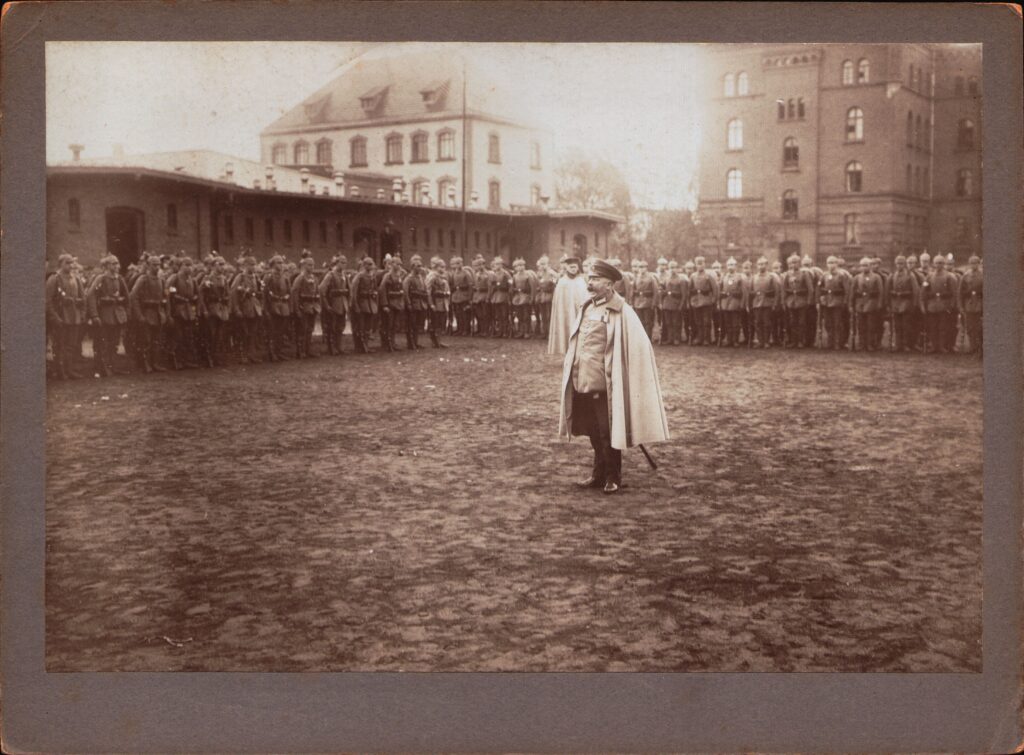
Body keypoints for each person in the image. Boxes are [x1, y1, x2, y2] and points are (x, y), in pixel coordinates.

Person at [558, 258, 669, 495]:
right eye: (590, 278)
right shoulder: (587, 307)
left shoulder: (622, 311)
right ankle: (598, 474)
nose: (590, 283)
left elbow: (638, 346)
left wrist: (620, 373)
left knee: (607, 430)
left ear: (609, 284)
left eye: (596, 279)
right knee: (592, 429)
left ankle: (613, 476)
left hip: (605, 382)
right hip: (582, 379)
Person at [85, 254, 130, 376]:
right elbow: (90, 295)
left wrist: (126, 310)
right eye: (113, 263)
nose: (117, 266)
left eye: (117, 263)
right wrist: (94, 315)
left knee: (114, 343)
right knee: (103, 343)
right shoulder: (101, 278)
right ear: (107, 265)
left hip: (117, 317)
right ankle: (103, 367)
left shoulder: (119, 279)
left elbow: (127, 296)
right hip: (104, 316)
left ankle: (112, 366)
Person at [128, 255, 169, 373]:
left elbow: (166, 296)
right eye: (154, 265)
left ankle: (155, 363)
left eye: (158, 265)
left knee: (156, 340)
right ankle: (144, 364)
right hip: (147, 312)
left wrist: (166, 313)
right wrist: (139, 315)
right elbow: (133, 296)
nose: (157, 267)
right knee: (145, 340)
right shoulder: (143, 279)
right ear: (148, 265)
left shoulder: (162, 280)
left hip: (158, 313)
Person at [547, 255, 588, 355]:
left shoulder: (581, 281)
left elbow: (585, 297)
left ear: (578, 267)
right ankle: (567, 351)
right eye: (571, 267)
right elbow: (559, 302)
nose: (573, 269)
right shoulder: (562, 282)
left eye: (575, 267)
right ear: (567, 268)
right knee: (566, 328)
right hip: (565, 314)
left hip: (578, 312)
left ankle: (578, 353)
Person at [167, 256, 202, 369]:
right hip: (177, 311)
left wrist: (195, 303)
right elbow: (167, 291)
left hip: (189, 312)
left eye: (191, 265)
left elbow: (198, 294)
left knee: (188, 336)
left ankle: (186, 360)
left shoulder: (193, 280)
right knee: (178, 336)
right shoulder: (175, 278)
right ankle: (176, 360)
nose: (189, 268)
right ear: (181, 266)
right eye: (186, 265)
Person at [921, 254, 958, 354]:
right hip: (932, 305)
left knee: (943, 327)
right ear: (933, 264)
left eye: (941, 263)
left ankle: (942, 346)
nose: (938, 265)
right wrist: (923, 305)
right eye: (936, 263)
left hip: (944, 305)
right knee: (932, 326)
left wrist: (952, 305)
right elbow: (924, 291)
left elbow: (954, 293)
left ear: (944, 264)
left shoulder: (950, 277)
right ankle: (934, 346)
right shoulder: (929, 277)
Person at [198, 255, 231, 367]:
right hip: (211, 308)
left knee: (219, 334)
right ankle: (208, 357)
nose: (222, 267)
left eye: (223, 264)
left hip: (221, 309)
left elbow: (228, 294)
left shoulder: (224, 279)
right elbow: (201, 295)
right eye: (219, 264)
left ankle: (216, 356)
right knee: (211, 334)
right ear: (213, 266)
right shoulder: (207, 278)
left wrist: (227, 306)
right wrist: (204, 309)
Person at [230, 255, 263, 363]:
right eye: (251, 264)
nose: (254, 267)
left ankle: (251, 354)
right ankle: (241, 355)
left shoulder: (255, 277)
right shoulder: (240, 277)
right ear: (245, 265)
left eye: (255, 264)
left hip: (254, 309)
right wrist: (236, 309)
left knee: (253, 333)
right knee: (243, 333)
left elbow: (259, 292)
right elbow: (233, 293)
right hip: (244, 308)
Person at [886, 255, 920, 352]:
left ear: (904, 264)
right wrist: (889, 304)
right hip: (895, 303)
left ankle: (906, 344)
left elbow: (915, 290)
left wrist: (914, 303)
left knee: (906, 325)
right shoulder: (892, 275)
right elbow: (887, 290)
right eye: (897, 263)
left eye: (901, 263)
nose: (899, 265)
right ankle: (898, 344)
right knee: (897, 325)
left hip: (907, 303)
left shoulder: (910, 275)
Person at [850, 256, 884, 351]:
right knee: (861, 325)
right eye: (862, 265)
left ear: (870, 266)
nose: (864, 267)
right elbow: (852, 292)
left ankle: (870, 344)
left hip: (872, 303)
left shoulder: (876, 277)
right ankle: (862, 343)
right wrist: (851, 304)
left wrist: (879, 303)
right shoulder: (857, 277)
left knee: (871, 325)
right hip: (860, 303)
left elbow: (881, 292)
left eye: (866, 265)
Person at [290, 256, 321, 358]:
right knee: (302, 330)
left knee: (310, 329)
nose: (311, 267)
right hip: (303, 307)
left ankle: (308, 350)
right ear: (304, 266)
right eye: (309, 265)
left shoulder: (314, 278)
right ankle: (300, 351)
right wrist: (296, 309)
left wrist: (318, 306)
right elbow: (294, 294)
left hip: (312, 307)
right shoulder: (300, 278)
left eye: (313, 265)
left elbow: (317, 293)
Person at [319, 255, 350, 356]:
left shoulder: (344, 275)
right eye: (342, 262)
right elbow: (321, 290)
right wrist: (326, 305)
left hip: (343, 304)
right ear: (337, 263)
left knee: (340, 327)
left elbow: (349, 289)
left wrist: (348, 302)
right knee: (332, 326)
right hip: (333, 305)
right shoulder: (330, 275)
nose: (344, 265)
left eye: (345, 263)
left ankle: (339, 346)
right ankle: (331, 348)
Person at [818, 256, 851, 350]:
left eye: (833, 263)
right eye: (829, 263)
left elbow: (847, 290)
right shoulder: (824, 275)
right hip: (826, 302)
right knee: (828, 323)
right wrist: (820, 299)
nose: (831, 265)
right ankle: (830, 341)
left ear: (837, 264)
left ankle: (838, 342)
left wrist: (845, 302)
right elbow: (819, 288)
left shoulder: (842, 275)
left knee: (837, 323)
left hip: (838, 302)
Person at [748, 256, 781, 348]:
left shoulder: (771, 277)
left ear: (767, 265)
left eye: (763, 264)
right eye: (759, 264)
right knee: (758, 322)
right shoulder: (754, 277)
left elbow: (776, 291)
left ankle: (766, 341)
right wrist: (750, 303)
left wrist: (775, 303)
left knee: (767, 323)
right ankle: (760, 341)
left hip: (767, 303)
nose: (761, 266)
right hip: (757, 304)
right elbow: (750, 292)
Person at [349, 256, 378, 353]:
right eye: (369, 264)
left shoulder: (372, 276)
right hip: (361, 303)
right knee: (360, 326)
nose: (371, 266)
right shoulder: (359, 276)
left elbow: (375, 289)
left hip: (370, 303)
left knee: (367, 326)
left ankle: (366, 345)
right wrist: (355, 305)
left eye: (372, 264)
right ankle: (359, 346)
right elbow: (354, 291)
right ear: (364, 265)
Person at [718, 257, 748, 347]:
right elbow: (720, 290)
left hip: (735, 303)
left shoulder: (740, 277)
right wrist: (719, 303)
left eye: (732, 265)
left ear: (736, 266)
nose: (730, 267)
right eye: (728, 265)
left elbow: (744, 292)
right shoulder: (724, 277)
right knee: (727, 323)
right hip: (725, 303)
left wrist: (742, 304)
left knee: (735, 323)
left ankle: (735, 340)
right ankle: (729, 340)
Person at [687, 256, 718, 345]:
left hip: (706, 302)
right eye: (698, 264)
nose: (700, 265)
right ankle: (699, 338)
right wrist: (691, 300)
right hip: (696, 302)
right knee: (698, 321)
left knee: (706, 321)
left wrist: (713, 300)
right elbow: (690, 289)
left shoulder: (709, 276)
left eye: (702, 263)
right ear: (695, 265)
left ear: (704, 264)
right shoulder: (693, 276)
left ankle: (706, 339)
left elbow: (714, 289)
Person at [403, 254, 430, 350]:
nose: (420, 268)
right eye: (418, 266)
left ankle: (415, 342)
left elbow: (425, 290)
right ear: (412, 267)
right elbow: (406, 293)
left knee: (418, 325)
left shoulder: (421, 278)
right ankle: (410, 344)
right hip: (413, 304)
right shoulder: (408, 279)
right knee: (411, 324)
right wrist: (409, 304)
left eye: (421, 266)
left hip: (421, 304)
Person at [958, 254, 983, 356]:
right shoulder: (965, 276)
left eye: (976, 263)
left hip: (980, 304)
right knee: (970, 327)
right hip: (969, 304)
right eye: (972, 263)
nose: (974, 265)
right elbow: (960, 292)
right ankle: (973, 347)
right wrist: (960, 306)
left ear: (979, 264)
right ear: (969, 264)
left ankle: (980, 347)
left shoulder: (983, 275)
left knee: (980, 327)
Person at [425, 256, 451, 348]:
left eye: (444, 267)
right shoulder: (432, 276)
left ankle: (438, 341)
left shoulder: (441, 276)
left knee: (440, 322)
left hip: (443, 303)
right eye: (441, 267)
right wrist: (431, 304)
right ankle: (435, 342)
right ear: (436, 267)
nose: (443, 269)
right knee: (436, 322)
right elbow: (428, 291)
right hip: (436, 303)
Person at [631, 259, 659, 341]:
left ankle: (648, 338)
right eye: (640, 267)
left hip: (648, 302)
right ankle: (641, 338)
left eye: (643, 267)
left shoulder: (651, 278)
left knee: (648, 322)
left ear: (646, 268)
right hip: (638, 303)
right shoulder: (636, 278)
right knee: (640, 322)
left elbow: (655, 291)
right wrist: (632, 302)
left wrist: (654, 303)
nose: (641, 269)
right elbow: (633, 291)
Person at [510, 257, 536, 338]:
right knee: (519, 315)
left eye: (521, 265)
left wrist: (532, 298)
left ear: (524, 266)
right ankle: (521, 331)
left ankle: (527, 332)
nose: (520, 267)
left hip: (526, 297)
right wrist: (514, 290)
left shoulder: (528, 275)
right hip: (517, 298)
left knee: (526, 315)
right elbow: (512, 287)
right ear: (515, 267)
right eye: (518, 266)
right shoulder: (514, 276)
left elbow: (532, 288)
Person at [449, 256, 474, 336]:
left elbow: (470, 286)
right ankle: (459, 329)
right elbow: (452, 284)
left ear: (462, 263)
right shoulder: (454, 273)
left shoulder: (466, 273)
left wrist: (470, 298)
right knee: (458, 314)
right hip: (456, 296)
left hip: (464, 296)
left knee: (465, 314)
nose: (457, 265)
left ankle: (466, 330)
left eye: (459, 263)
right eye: (456, 263)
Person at [488, 256, 513, 338]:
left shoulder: (506, 274)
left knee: (504, 315)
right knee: (498, 315)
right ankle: (500, 331)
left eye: (498, 264)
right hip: (495, 297)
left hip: (504, 296)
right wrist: (490, 296)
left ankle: (506, 331)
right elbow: (491, 286)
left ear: (501, 265)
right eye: (495, 264)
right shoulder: (493, 274)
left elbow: (510, 285)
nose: (497, 266)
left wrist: (510, 295)